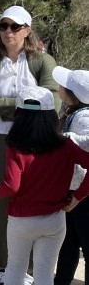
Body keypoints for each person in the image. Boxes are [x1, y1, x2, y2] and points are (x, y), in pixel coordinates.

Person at [0, 5, 59, 285]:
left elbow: (52, 101)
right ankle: (6, 266)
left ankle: (32, 268)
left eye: (15, 26)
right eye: (3, 26)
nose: (8, 31)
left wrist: (0, 102)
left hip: (34, 139)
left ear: (27, 30)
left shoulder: (43, 61)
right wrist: (24, 102)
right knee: (0, 199)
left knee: (33, 196)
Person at [0, 86, 89, 285]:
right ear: (50, 115)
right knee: (44, 275)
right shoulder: (66, 145)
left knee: (15, 269)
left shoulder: (16, 146)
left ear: (19, 116)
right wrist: (77, 197)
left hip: (21, 220)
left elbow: (11, 186)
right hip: (54, 219)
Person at [52, 67, 89, 285]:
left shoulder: (83, 117)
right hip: (74, 189)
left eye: (63, 86)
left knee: (83, 241)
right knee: (68, 241)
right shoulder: (73, 113)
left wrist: (67, 138)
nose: (59, 88)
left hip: (83, 192)